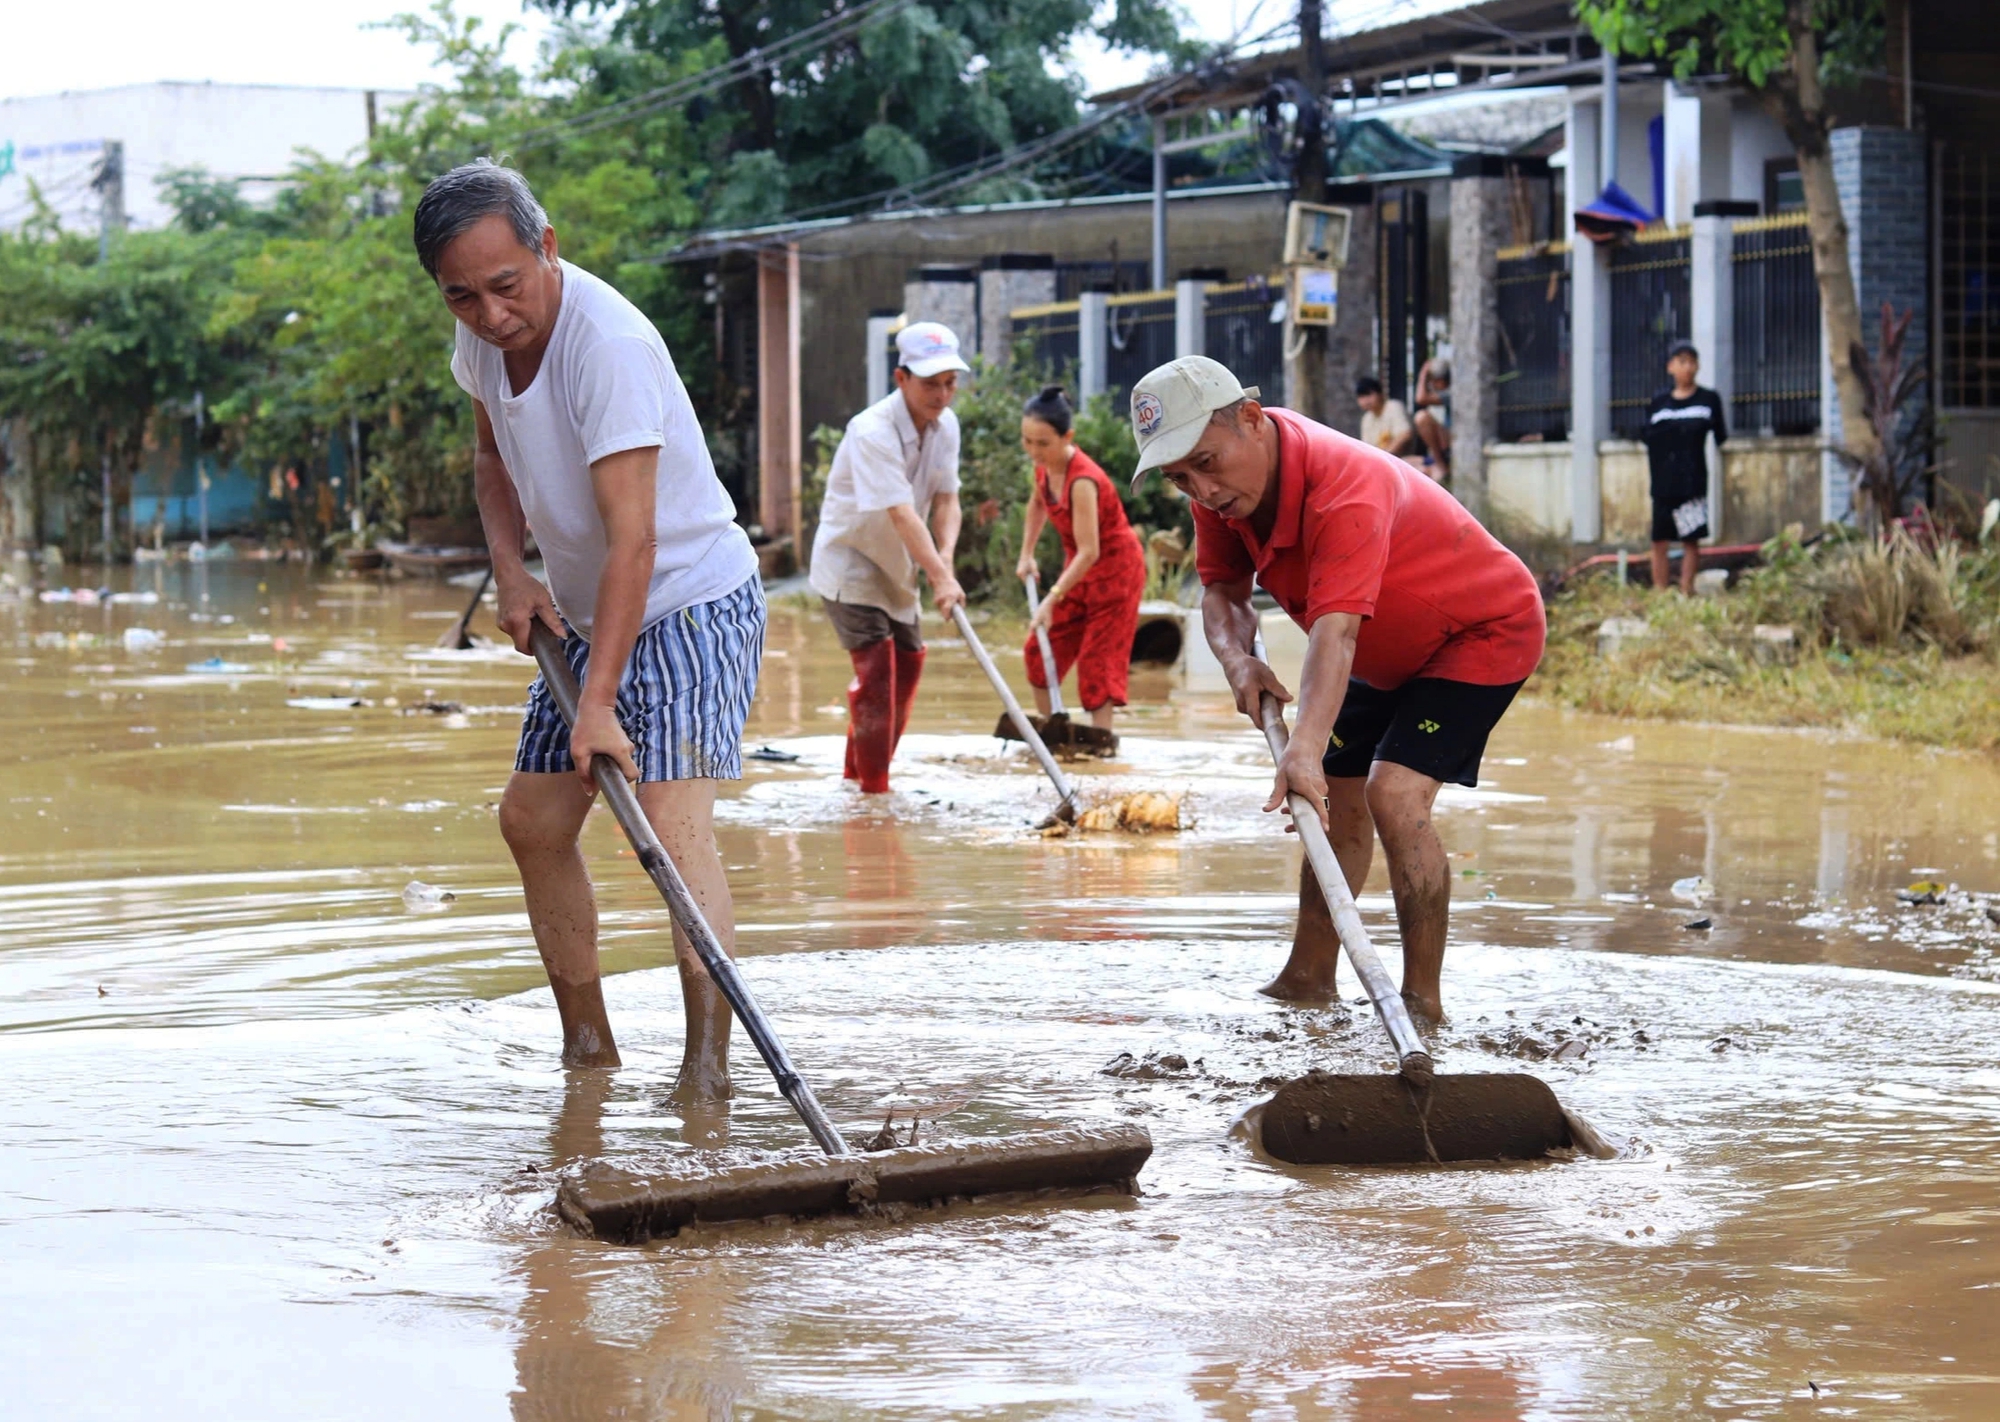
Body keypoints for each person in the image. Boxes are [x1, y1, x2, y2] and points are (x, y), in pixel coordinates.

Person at [414, 159, 764, 1090]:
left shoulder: (605, 345)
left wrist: (597, 702)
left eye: (505, 286)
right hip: (585, 604)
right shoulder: (483, 342)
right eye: (462, 297)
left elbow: (636, 542)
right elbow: (492, 455)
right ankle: (589, 1049)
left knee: (670, 828)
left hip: (690, 598)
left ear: (547, 249)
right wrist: (511, 571)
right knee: (532, 822)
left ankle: (706, 1068)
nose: (491, 315)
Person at [1127, 356, 1545, 1019]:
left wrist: (1303, 750)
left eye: (1205, 463)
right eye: (1180, 478)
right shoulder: (1218, 493)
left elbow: (1336, 633)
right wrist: (1238, 663)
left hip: (1478, 631)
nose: (1200, 490)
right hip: (1381, 649)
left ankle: (1422, 1006)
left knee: (1393, 793)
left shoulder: (1341, 485)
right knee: (1334, 799)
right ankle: (1307, 978)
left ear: (1251, 420)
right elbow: (1223, 592)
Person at [808, 322, 968, 794]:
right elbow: (901, 512)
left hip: (901, 566)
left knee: (910, 663)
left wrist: (946, 563)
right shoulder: (871, 431)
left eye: (950, 383)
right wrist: (939, 578)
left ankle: (858, 778)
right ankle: (875, 794)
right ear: (901, 378)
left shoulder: (947, 427)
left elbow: (946, 500)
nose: (942, 395)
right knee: (877, 674)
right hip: (852, 563)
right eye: (931, 383)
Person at [1013, 384, 1146, 734]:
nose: (1034, 451)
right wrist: (1027, 554)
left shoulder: (1082, 480)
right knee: (1038, 653)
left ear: (1067, 436)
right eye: (1027, 441)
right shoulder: (1043, 467)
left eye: (1043, 443)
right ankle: (1052, 733)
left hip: (1116, 571)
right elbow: (1037, 503)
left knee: (1096, 666)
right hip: (1080, 570)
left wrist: (1050, 600)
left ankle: (1101, 746)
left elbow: (1091, 550)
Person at [1642, 340, 1728, 594]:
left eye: (1691, 361)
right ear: (1670, 367)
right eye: (1681, 361)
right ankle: (1659, 592)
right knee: (1659, 540)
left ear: (1698, 366)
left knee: (1691, 539)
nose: (1687, 367)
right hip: (1662, 485)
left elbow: (1722, 437)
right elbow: (1647, 438)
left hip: (1692, 484)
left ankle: (1686, 590)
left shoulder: (1708, 400)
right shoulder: (1658, 403)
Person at [1412, 356, 1452, 482]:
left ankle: (1440, 466)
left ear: (1440, 381)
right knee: (1407, 463)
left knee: (1422, 417)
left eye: (1433, 381)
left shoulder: (1450, 393)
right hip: (1445, 443)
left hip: (1453, 441)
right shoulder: (1443, 395)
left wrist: (1423, 374)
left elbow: (1420, 399)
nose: (1432, 385)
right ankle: (1436, 464)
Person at [1355, 375, 1414, 458]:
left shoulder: (1393, 407)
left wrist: (1385, 455)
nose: (1366, 401)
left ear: (1380, 393)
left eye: (1369, 395)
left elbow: (1406, 434)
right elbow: (1367, 448)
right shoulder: (1366, 419)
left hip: (1402, 459)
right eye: (1361, 397)